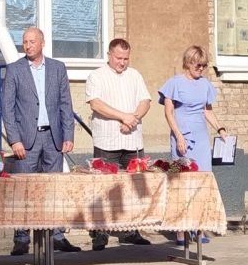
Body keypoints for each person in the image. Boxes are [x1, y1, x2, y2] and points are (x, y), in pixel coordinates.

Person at [1, 27, 81, 255]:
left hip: (53, 138)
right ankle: (21, 238)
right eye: (24, 42)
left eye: (32, 41)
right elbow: (7, 108)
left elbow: (65, 103)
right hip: (26, 140)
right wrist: (14, 140)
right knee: (23, 190)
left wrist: (68, 135)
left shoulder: (57, 68)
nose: (27, 46)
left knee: (54, 190)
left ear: (42, 43)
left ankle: (57, 235)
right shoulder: (14, 69)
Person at [85, 38, 153, 251]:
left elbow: (145, 101)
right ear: (109, 55)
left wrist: (133, 118)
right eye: (118, 58)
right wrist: (123, 116)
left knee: (134, 188)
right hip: (107, 141)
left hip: (132, 141)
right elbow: (96, 104)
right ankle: (100, 232)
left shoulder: (135, 75)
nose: (122, 62)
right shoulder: (97, 76)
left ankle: (131, 230)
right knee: (104, 189)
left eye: (126, 58)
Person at [158, 45, 228, 245]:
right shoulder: (174, 83)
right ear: (188, 62)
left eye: (204, 65)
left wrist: (220, 129)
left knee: (203, 181)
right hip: (181, 135)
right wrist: (178, 136)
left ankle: (200, 228)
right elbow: (168, 113)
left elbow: (207, 111)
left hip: (200, 135)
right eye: (198, 65)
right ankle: (180, 231)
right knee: (182, 182)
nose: (201, 69)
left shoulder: (205, 84)